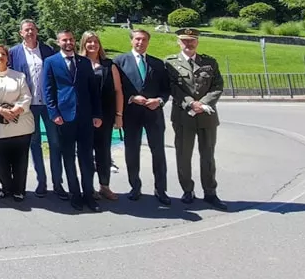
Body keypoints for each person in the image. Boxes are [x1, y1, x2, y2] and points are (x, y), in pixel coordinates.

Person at [165, 28, 227, 210]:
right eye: (184, 40)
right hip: (183, 117)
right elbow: (172, 87)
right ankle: (187, 190)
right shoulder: (170, 63)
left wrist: (203, 104)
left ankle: (210, 192)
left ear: (197, 42)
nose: (188, 44)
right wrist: (191, 103)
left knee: (208, 156)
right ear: (178, 42)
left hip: (207, 116)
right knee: (183, 155)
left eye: (192, 40)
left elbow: (217, 86)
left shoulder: (209, 62)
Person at [41, 30, 103, 212]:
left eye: (70, 39)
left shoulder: (84, 62)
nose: (68, 43)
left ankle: (89, 194)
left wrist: (97, 114)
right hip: (64, 117)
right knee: (68, 157)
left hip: (85, 117)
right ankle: (75, 194)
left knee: (86, 158)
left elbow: (93, 90)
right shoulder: (51, 62)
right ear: (58, 42)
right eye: (64, 40)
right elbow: (48, 90)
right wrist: (54, 113)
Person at [114, 29, 171, 205]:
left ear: (148, 42)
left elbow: (166, 89)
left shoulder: (158, 63)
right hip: (131, 113)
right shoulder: (119, 62)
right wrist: (131, 98)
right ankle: (135, 187)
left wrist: (159, 101)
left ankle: (160, 189)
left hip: (154, 114)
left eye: (144, 39)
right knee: (132, 151)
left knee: (158, 152)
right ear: (131, 41)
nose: (140, 42)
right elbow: (116, 88)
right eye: (137, 39)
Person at [9, 20, 64, 198]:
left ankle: (58, 183)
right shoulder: (14, 53)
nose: (30, 32)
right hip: (28, 106)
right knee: (34, 144)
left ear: (37, 31)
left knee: (55, 143)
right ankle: (42, 182)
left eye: (32, 29)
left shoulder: (48, 50)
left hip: (49, 105)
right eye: (26, 30)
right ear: (21, 33)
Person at [0, 44, 35, 201]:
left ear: (7, 58)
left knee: (20, 161)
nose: (0, 57)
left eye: (3, 54)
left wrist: (15, 110)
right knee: (0, 161)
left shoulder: (19, 76)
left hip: (20, 127)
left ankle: (19, 190)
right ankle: (6, 188)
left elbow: (26, 96)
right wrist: (0, 110)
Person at [79, 31, 124, 201]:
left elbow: (118, 91)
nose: (92, 44)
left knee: (103, 152)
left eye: (95, 41)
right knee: (85, 153)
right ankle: (88, 188)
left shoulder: (109, 65)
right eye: (89, 41)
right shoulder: (78, 63)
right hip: (83, 116)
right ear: (84, 44)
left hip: (106, 115)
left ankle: (104, 186)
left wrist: (119, 115)